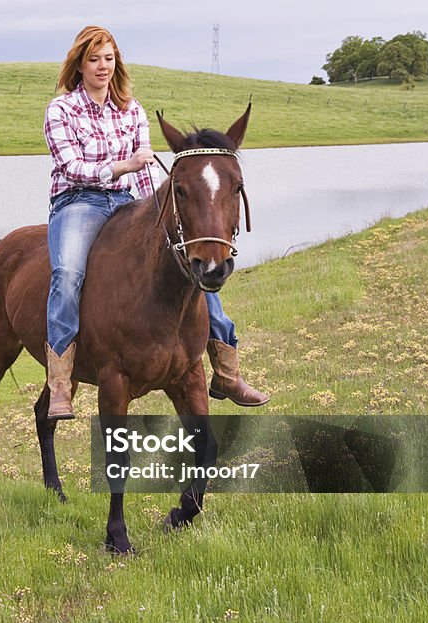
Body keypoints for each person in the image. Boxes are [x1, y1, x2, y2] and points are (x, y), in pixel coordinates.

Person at [43, 25, 269, 420]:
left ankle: (227, 367)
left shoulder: (132, 109)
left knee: (192, 263)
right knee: (67, 274)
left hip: (128, 201)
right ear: (79, 64)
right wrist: (121, 167)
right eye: (94, 59)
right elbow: (71, 167)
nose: (102, 67)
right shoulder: (61, 110)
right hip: (78, 202)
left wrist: (158, 214)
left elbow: (146, 174)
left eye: (109, 58)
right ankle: (60, 383)